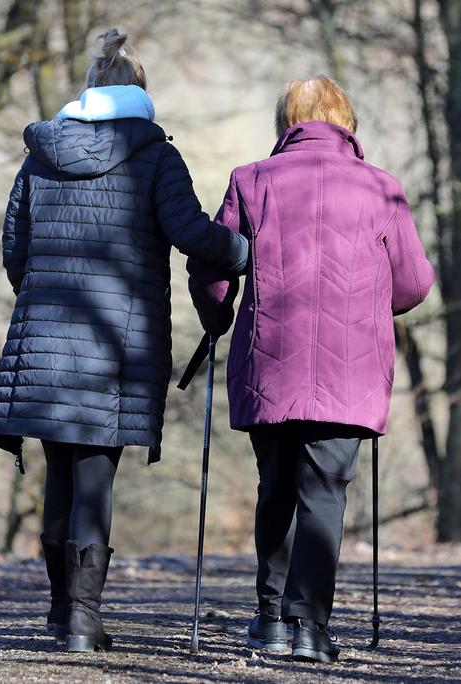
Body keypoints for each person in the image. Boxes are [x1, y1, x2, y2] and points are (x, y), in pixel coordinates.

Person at [0, 29, 248, 653]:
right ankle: (81, 618)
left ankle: (59, 611)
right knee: (95, 476)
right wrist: (245, 252)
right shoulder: (156, 155)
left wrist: (44, 300)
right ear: (140, 94)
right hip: (116, 344)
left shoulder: (38, 154)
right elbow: (190, 233)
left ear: (89, 91)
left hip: (44, 339)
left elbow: (14, 251)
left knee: (60, 474)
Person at [188, 76, 435, 663]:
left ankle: (271, 617)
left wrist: (218, 315)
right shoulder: (383, 189)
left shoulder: (250, 180)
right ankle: (311, 628)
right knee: (324, 492)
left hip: (269, 361)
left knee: (275, 489)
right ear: (347, 123)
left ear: (287, 123)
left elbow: (213, 265)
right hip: (351, 370)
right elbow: (413, 283)